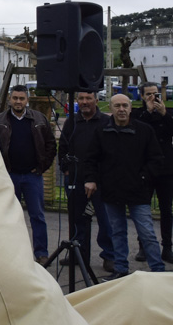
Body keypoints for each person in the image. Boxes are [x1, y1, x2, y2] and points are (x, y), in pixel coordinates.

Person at [83, 94, 165, 280]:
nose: (121, 109)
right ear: (110, 108)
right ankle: (120, 268)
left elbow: (156, 159)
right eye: (117, 105)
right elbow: (91, 159)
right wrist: (91, 179)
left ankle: (158, 271)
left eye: (125, 105)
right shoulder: (102, 131)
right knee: (117, 233)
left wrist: (143, 177)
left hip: (138, 191)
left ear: (130, 108)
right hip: (111, 191)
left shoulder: (144, 131)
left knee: (147, 233)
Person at [0, 85, 57, 266]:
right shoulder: (0, 121)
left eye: (21, 98)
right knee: (8, 217)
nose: (18, 101)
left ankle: (41, 253)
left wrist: (41, 167)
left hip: (32, 177)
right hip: (9, 176)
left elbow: (51, 145)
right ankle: (9, 253)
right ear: (9, 99)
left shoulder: (39, 119)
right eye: (15, 98)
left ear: (27, 99)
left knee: (37, 216)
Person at [57, 90, 115, 272]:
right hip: (75, 179)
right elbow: (63, 148)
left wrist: (100, 177)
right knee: (78, 221)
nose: (84, 102)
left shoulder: (106, 121)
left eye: (88, 98)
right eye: (81, 98)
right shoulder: (71, 122)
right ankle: (79, 256)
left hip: (101, 181)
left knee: (106, 222)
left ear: (96, 100)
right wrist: (65, 169)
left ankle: (109, 256)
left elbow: (112, 151)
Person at [130, 82, 173, 265]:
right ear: (142, 97)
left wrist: (163, 114)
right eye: (149, 94)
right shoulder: (137, 114)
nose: (153, 97)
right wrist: (148, 112)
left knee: (166, 210)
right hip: (145, 168)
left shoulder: (169, 112)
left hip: (165, 168)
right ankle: (143, 246)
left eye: (155, 93)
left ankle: (167, 247)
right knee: (142, 208)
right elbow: (136, 131)